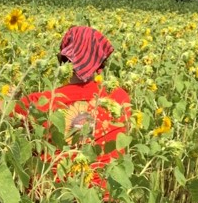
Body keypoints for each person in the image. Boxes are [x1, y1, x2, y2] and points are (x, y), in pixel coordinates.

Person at [12, 26, 131, 193]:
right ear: (100, 61)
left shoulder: (39, 103)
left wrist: (11, 96)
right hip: (103, 195)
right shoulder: (119, 98)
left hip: (50, 196)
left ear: (63, 59)